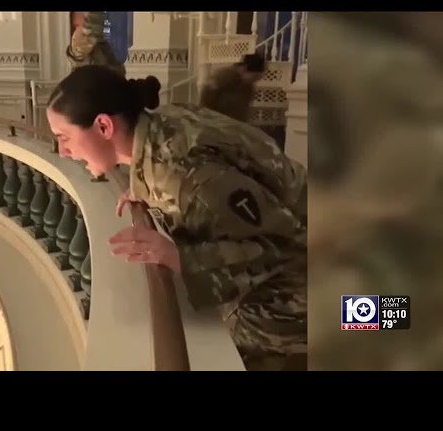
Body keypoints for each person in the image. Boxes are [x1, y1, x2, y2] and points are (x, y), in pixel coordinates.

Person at [45, 64, 308, 371]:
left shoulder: (184, 177)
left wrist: (180, 257)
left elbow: (279, 243)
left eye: (64, 136)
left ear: (104, 126)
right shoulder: (163, 124)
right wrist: (143, 187)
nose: (62, 151)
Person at [198, 53, 266, 122]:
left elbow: (244, 112)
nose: (255, 81)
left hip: (235, 128)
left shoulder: (248, 87)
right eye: (254, 77)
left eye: (258, 78)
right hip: (215, 125)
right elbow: (205, 102)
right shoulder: (221, 77)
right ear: (244, 69)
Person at [66, 12, 126, 77]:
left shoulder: (108, 58)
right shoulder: (74, 59)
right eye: (76, 26)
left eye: (84, 26)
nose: (76, 34)